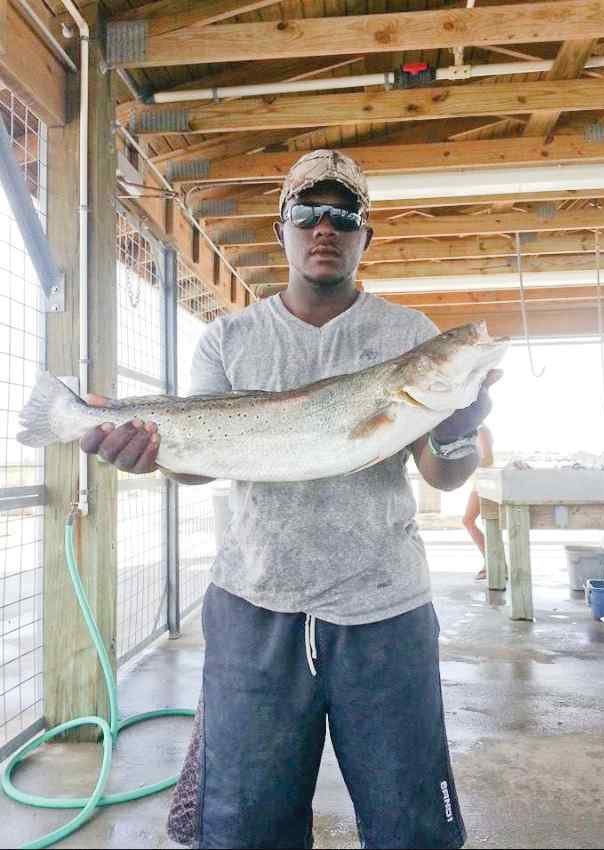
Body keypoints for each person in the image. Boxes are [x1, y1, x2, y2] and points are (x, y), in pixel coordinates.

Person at [81, 149, 502, 850]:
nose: (325, 229)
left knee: (412, 828)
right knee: (246, 828)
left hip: (385, 612)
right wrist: (153, 454)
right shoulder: (229, 339)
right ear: (283, 227)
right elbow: (201, 464)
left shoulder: (409, 336)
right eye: (308, 214)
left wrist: (458, 434)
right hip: (254, 607)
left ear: (367, 234)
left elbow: (442, 476)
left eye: (344, 216)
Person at [462, 425, 495, 581]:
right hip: (480, 480)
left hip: (485, 481)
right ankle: (493, 563)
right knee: (477, 522)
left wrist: (465, 464)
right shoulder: (474, 430)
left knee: (468, 520)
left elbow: (488, 459)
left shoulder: (481, 430)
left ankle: (491, 564)